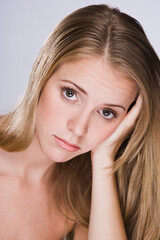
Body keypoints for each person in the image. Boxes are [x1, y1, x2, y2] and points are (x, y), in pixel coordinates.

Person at [0, 4, 159, 240]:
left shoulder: (84, 198)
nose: (78, 129)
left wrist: (104, 163)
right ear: (42, 73)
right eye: (70, 94)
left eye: (106, 112)